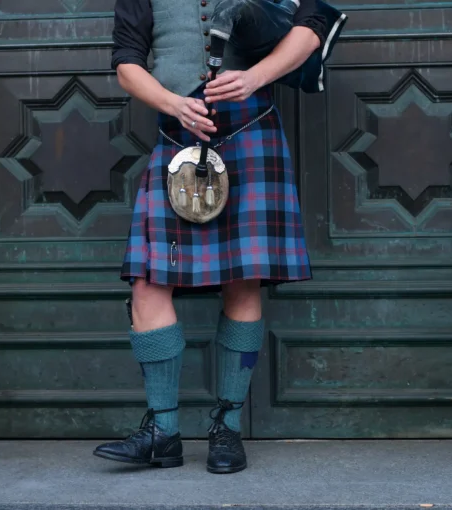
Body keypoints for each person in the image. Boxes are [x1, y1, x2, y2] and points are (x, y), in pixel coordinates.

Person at [93, 0, 334, 474]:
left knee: (242, 281)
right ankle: (162, 433)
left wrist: (256, 76)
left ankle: (226, 427)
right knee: (146, 282)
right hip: (177, 139)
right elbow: (126, 61)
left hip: (251, 131)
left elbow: (314, 26)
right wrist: (174, 103)